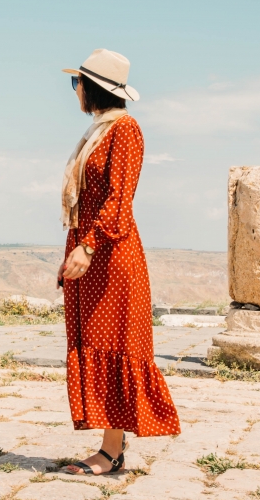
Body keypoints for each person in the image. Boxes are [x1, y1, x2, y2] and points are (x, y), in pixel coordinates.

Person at [58, 49, 180, 476]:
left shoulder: (125, 131)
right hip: (93, 252)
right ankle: (112, 444)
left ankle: (111, 451)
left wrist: (87, 246)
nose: (73, 91)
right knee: (96, 341)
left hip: (110, 254)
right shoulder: (100, 130)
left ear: (91, 88)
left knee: (114, 345)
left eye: (76, 84)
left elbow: (119, 200)